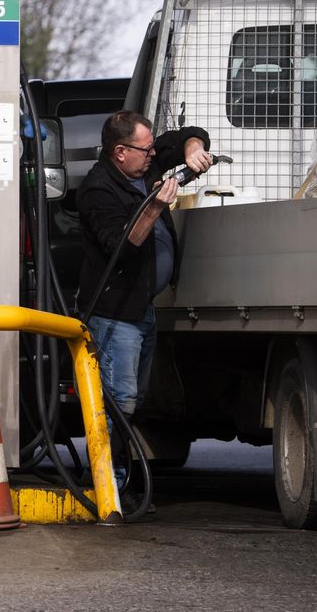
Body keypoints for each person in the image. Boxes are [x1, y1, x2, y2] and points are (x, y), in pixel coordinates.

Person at [76, 110, 212, 507]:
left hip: (142, 310)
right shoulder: (98, 190)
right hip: (114, 312)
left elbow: (186, 135)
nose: (154, 154)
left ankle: (119, 481)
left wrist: (194, 149)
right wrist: (155, 204)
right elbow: (124, 243)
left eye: (154, 147)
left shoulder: (145, 164)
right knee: (120, 400)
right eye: (144, 148)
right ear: (120, 152)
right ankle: (109, 486)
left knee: (134, 399)